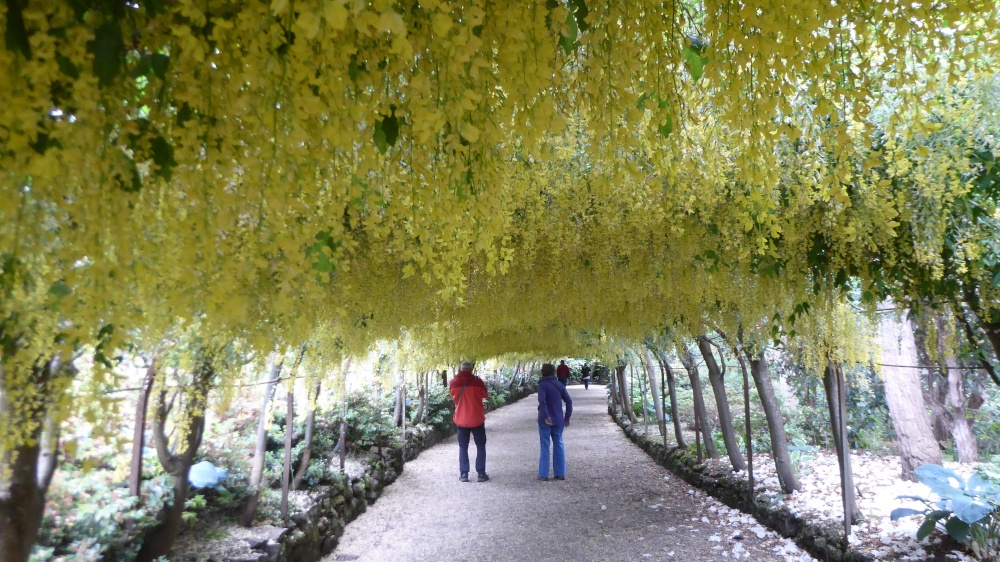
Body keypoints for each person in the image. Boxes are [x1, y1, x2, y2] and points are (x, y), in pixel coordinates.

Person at [449, 361, 490, 482]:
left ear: (461, 369)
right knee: (481, 445)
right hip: (477, 418)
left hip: (461, 419)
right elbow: (485, 395)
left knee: (463, 447)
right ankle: (481, 473)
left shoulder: (454, 383)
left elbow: (453, 396)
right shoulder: (477, 382)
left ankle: (464, 474)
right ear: (471, 369)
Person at [537, 363, 572, 481]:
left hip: (544, 420)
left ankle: (543, 474)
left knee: (545, 446)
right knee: (559, 444)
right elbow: (569, 401)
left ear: (542, 372)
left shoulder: (542, 385)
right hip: (558, 420)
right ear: (554, 372)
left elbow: (542, 401)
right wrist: (567, 418)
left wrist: (546, 415)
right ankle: (560, 473)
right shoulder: (559, 385)